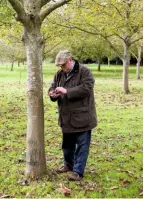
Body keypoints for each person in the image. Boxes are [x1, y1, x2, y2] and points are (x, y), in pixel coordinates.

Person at [48, 50, 97, 181]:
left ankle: (78, 172)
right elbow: (52, 87)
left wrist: (67, 91)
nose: (61, 68)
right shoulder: (59, 74)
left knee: (82, 146)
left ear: (70, 61)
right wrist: (52, 94)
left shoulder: (84, 71)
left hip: (83, 117)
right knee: (67, 145)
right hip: (66, 116)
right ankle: (68, 165)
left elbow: (87, 87)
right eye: (59, 65)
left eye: (63, 65)